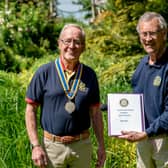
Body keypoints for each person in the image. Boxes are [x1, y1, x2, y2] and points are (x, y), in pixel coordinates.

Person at [25, 23, 106, 168]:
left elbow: (95, 113)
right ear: (59, 44)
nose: (72, 46)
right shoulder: (44, 72)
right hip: (52, 148)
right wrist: (36, 146)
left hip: (82, 147)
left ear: (83, 47)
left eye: (77, 42)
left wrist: (101, 145)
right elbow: (30, 110)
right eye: (67, 41)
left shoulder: (89, 75)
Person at [118, 12, 168, 168]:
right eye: (143, 34)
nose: (147, 39)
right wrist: (104, 106)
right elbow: (136, 98)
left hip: (164, 141)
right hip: (144, 139)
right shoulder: (143, 64)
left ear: (164, 33)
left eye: (152, 33)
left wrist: (147, 132)